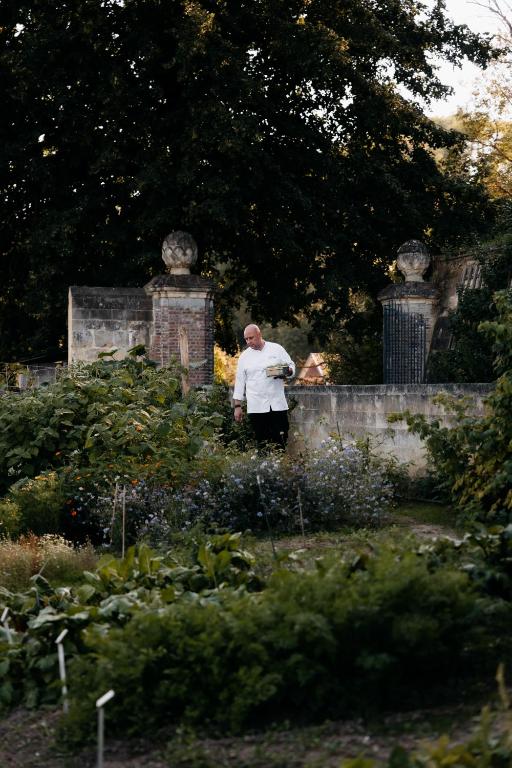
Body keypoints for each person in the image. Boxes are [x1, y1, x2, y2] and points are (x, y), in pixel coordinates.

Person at [233, 324, 295, 448]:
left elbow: (291, 366)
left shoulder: (276, 349)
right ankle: (264, 467)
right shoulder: (244, 357)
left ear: (259, 335)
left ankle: (281, 466)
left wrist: (287, 372)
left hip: (277, 405)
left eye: (251, 338)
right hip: (256, 407)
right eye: (246, 339)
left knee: (281, 441)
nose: (249, 341)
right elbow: (239, 383)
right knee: (262, 444)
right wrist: (237, 406)